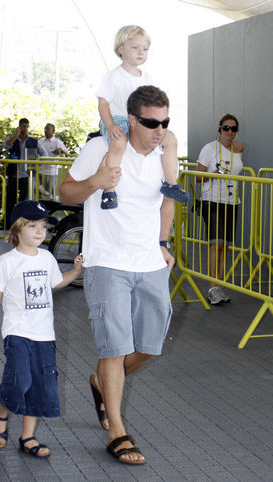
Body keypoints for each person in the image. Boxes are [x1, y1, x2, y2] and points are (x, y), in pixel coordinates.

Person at [60, 85, 174, 465]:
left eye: (165, 122)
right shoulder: (101, 147)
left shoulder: (164, 154)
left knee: (148, 347)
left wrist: (164, 243)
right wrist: (97, 181)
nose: (159, 129)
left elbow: (167, 200)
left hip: (150, 264)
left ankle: (100, 383)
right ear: (132, 119)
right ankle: (117, 432)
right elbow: (65, 193)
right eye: (151, 122)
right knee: (114, 348)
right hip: (107, 261)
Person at [0, 200, 83, 457]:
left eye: (43, 226)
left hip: (44, 335)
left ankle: (27, 437)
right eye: (33, 226)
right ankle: (1, 412)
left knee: (39, 384)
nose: (40, 231)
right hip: (17, 332)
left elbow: (57, 283)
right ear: (17, 229)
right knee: (21, 380)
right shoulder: (8, 261)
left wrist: (76, 271)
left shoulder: (47, 258)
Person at [96, 24, 189, 209]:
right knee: (119, 142)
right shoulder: (114, 76)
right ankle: (109, 190)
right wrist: (110, 124)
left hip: (142, 122)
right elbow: (103, 102)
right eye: (135, 47)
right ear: (121, 49)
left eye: (145, 49)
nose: (141, 52)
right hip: (119, 119)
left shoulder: (147, 77)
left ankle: (171, 183)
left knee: (170, 139)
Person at [197, 114, 244, 305]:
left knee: (224, 246)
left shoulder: (238, 148)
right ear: (219, 128)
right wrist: (214, 174)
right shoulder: (209, 149)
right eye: (226, 128)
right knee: (215, 245)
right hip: (213, 200)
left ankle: (219, 285)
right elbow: (198, 177)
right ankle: (212, 288)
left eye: (233, 128)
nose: (229, 132)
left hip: (232, 201)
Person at [4, 118, 47, 228]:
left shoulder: (33, 141)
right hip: (14, 174)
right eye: (23, 126)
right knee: (10, 201)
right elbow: (6, 145)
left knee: (24, 201)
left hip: (27, 175)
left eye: (27, 126)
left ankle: (22, 225)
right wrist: (15, 135)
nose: (25, 128)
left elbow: (44, 155)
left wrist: (36, 165)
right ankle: (8, 224)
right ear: (19, 127)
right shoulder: (12, 139)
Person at [39, 123, 69, 198]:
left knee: (51, 194)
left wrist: (60, 150)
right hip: (40, 170)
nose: (45, 130)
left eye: (48, 129)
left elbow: (66, 154)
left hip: (51, 171)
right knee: (38, 191)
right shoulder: (41, 141)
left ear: (53, 131)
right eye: (45, 128)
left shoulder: (57, 142)